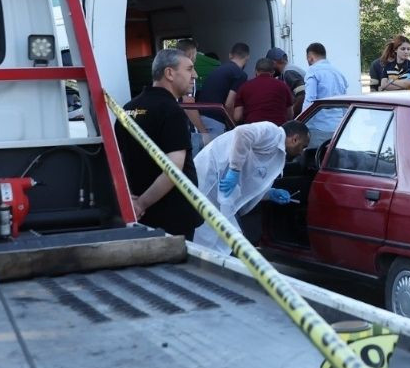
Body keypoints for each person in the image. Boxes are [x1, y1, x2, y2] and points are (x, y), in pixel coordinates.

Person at [115, 48, 204, 239]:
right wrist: (142, 204)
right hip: (173, 217)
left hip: (141, 217)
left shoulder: (128, 109)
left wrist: (128, 200)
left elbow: (116, 161)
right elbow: (174, 168)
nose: (195, 75)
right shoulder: (171, 111)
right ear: (169, 73)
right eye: (189, 69)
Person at [192, 120, 310, 254]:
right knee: (211, 239)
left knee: (216, 242)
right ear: (295, 139)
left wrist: (269, 193)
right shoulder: (273, 132)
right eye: (303, 146)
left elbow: (252, 179)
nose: (301, 152)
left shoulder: (277, 155)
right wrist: (234, 170)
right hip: (210, 180)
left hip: (223, 193)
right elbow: (242, 133)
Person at [196, 42, 250, 135]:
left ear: (230, 55)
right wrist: (233, 124)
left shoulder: (219, 69)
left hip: (201, 117)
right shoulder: (240, 74)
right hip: (216, 120)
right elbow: (229, 103)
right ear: (247, 57)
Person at [303, 42, 350, 145]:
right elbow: (345, 102)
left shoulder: (313, 71)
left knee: (315, 159)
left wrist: (302, 123)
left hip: (319, 128)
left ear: (310, 57)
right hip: (338, 127)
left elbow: (309, 100)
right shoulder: (338, 72)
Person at [234, 58, 294, 125]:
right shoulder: (283, 86)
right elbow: (290, 115)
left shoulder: (244, 87)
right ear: (273, 72)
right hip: (276, 130)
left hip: (254, 130)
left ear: (255, 71)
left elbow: (237, 117)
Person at [266, 47, 307, 115]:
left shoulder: (289, 72)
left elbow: (301, 95)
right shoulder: (284, 72)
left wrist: (291, 116)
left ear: (274, 62)